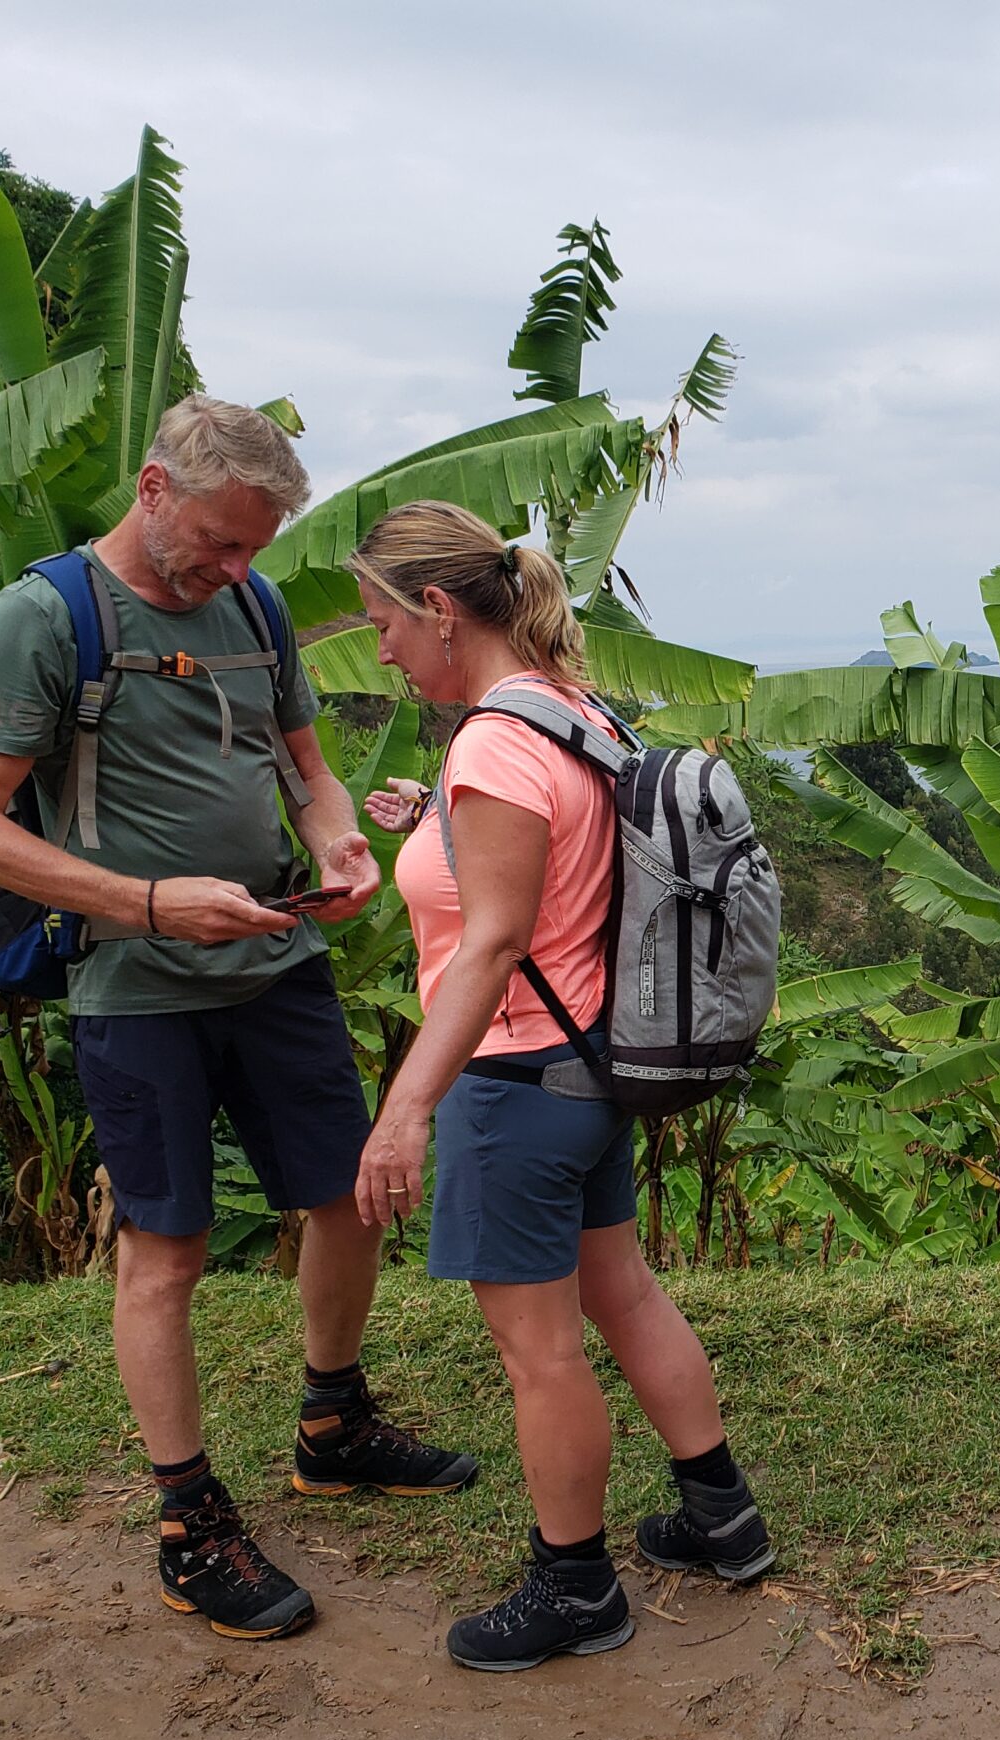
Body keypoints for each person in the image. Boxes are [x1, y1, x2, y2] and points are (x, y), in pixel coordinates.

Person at [0, 397, 476, 1642]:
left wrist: (335, 842)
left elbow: (306, 763)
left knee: (344, 1193)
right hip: (134, 981)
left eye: (255, 549)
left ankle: (332, 1424)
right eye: (221, 542)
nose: (236, 570)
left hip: (273, 954)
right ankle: (190, 1520)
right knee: (165, 1249)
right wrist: (150, 903)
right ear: (154, 488)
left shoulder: (253, 605)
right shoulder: (46, 617)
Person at [347, 501, 773, 1673]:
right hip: (592, 1071)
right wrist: (431, 824)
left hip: (514, 1079)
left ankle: (575, 1585)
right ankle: (720, 1517)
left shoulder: (491, 739)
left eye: (384, 619)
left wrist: (405, 1109)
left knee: (540, 1351)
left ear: (439, 611)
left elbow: (490, 947)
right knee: (623, 1295)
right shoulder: (575, 714)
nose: (378, 645)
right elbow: (561, 869)